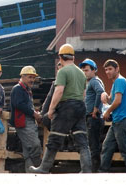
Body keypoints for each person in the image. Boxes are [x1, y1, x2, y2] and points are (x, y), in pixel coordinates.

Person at [29, 43, 91, 173]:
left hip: (66, 107)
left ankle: (43, 168)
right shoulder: (81, 73)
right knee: (82, 140)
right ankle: (86, 170)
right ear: (73, 58)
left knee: (54, 139)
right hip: (80, 106)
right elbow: (83, 94)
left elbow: (58, 92)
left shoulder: (63, 71)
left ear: (61, 57)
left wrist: (51, 110)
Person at [10, 66, 42, 173]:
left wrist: (34, 112)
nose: (32, 80)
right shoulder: (18, 89)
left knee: (27, 151)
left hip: (28, 121)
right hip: (23, 122)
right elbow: (19, 104)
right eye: (29, 77)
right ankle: (39, 169)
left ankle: (30, 174)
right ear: (22, 77)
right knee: (35, 145)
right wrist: (34, 114)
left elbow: (27, 106)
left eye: (33, 77)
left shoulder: (27, 90)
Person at [99, 59, 126, 172]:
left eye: (110, 69)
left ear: (117, 69)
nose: (107, 72)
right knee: (107, 146)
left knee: (124, 148)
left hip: (122, 120)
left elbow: (118, 101)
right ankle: (102, 170)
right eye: (106, 70)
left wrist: (107, 112)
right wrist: (105, 95)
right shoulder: (116, 82)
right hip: (116, 121)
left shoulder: (120, 81)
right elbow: (112, 100)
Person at [79, 58, 105, 172]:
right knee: (91, 144)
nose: (85, 73)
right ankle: (92, 169)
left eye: (87, 70)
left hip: (94, 117)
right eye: (83, 70)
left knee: (94, 145)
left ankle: (94, 170)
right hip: (89, 117)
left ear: (94, 70)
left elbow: (100, 92)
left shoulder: (95, 81)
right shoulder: (89, 82)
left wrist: (95, 109)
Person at [40, 62, 62, 130]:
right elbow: (49, 99)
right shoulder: (55, 84)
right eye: (58, 70)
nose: (59, 72)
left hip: (69, 111)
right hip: (57, 112)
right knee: (45, 118)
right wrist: (42, 114)